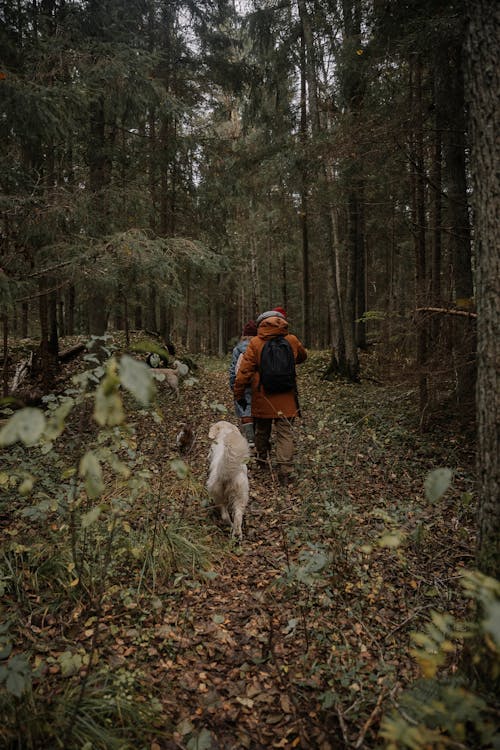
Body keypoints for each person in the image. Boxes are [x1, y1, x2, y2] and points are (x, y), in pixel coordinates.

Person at [233, 307, 307, 486]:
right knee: (285, 433)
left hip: (262, 396)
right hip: (287, 396)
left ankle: (262, 460)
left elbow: (244, 371)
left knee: (262, 430)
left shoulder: (256, 343)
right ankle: (285, 472)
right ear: (282, 322)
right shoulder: (291, 340)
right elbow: (303, 357)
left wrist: (239, 392)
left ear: (261, 324)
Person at [229, 320, 258, 447]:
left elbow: (232, 370)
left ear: (244, 334)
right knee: (256, 409)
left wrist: (233, 386)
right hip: (257, 384)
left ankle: (250, 440)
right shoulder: (259, 346)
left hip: (241, 384)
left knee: (245, 409)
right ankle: (257, 439)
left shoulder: (238, 349)